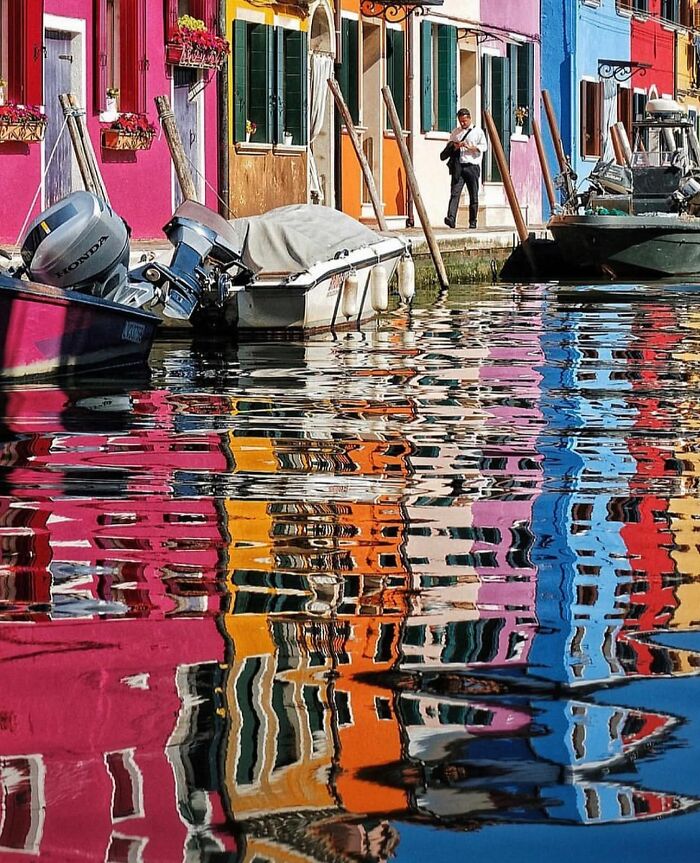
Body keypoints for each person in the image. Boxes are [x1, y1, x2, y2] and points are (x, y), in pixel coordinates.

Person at [442, 108, 487, 230]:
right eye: (461, 121)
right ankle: (451, 218)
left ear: (469, 119)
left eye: (465, 121)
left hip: (472, 166)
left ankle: (473, 221)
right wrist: (456, 146)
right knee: (455, 193)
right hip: (459, 166)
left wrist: (471, 147)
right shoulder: (455, 132)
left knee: (473, 195)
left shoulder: (478, 132)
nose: (463, 124)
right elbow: (449, 146)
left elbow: (484, 147)